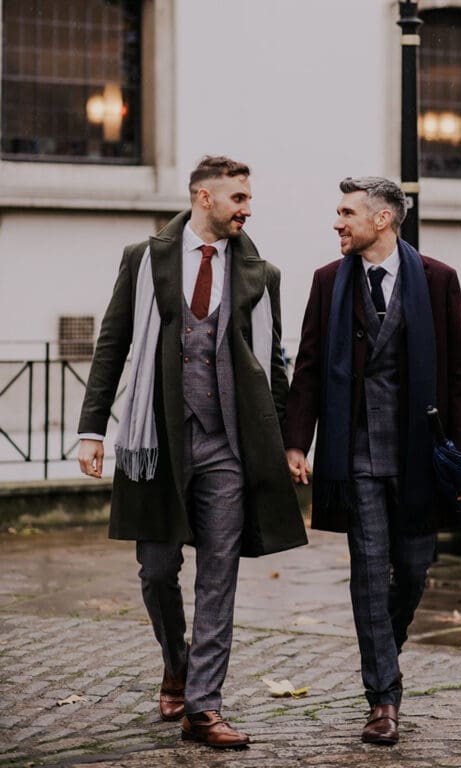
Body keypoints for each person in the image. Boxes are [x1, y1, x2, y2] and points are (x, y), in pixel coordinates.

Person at [77, 156, 307, 750]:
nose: (247, 208)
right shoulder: (145, 258)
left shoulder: (263, 273)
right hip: (159, 440)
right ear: (203, 197)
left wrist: (287, 441)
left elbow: (271, 364)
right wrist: (92, 429)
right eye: (237, 198)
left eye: (248, 198)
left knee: (219, 577)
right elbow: (113, 343)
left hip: (230, 444)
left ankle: (203, 706)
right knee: (156, 572)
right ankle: (176, 661)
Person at [284, 176, 461, 746]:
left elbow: (459, 377)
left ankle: (382, 649)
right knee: (368, 571)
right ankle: (383, 697)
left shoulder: (439, 280)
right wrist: (297, 441)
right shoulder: (327, 283)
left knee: (414, 569)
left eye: (347, 213)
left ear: (383, 219)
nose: (337, 223)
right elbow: (311, 367)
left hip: (419, 455)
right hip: (356, 453)